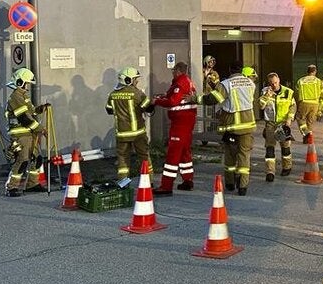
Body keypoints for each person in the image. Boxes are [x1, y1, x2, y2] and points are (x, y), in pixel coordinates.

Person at [201, 61, 257, 195]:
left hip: (232, 127)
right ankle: (243, 186)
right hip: (248, 126)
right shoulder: (251, 83)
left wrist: (194, 99)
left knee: (230, 156)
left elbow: (212, 99)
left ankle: (230, 183)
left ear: (230, 70)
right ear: (242, 70)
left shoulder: (226, 84)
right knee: (244, 156)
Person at [152, 61, 197, 195]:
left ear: (178, 71)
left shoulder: (180, 83)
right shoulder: (187, 82)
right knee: (184, 152)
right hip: (187, 122)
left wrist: (157, 101)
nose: (172, 73)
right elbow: (173, 97)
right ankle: (187, 180)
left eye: (173, 70)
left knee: (173, 154)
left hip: (180, 123)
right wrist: (163, 97)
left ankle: (166, 186)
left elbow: (173, 101)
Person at [106, 66, 156, 183]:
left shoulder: (113, 95)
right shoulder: (137, 93)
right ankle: (148, 181)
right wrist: (153, 102)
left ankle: (123, 184)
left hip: (121, 134)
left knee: (123, 160)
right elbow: (148, 109)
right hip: (137, 133)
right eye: (135, 79)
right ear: (128, 80)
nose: (137, 81)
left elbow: (109, 110)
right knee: (144, 157)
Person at [3, 68, 44, 196]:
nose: (28, 86)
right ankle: (11, 187)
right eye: (27, 83)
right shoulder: (15, 97)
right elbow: (24, 118)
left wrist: (40, 109)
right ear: (20, 82)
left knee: (37, 159)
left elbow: (30, 112)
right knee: (22, 161)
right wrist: (40, 129)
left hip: (29, 133)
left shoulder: (23, 96)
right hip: (20, 135)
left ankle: (32, 184)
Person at [259, 72, 296, 180]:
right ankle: (270, 172)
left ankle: (287, 167)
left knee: (285, 147)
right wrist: (267, 96)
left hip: (283, 124)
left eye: (275, 82)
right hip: (270, 124)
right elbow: (261, 106)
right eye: (271, 83)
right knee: (269, 148)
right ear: (268, 83)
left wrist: (289, 119)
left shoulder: (288, 92)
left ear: (279, 80)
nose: (274, 85)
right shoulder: (265, 91)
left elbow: (293, 106)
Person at [294, 64, 323, 142]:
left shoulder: (300, 80)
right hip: (315, 104)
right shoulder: (318, 81)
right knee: (310, 122)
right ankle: (309, 139)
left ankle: (306, 133)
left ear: (307, 71)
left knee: (300, 119)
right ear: (315, 71)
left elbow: (296, 93)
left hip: (304, 103)